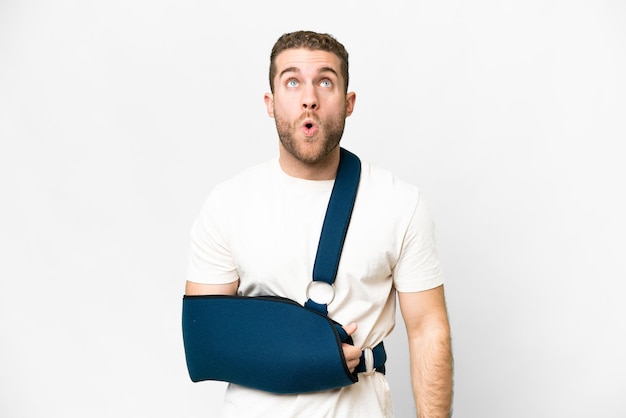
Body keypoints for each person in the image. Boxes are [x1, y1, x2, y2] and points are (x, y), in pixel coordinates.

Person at [185, 30, 453, 418]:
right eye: (292, 82)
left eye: (325, 82)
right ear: (271, 103)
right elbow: (207, 339)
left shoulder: (399, 202)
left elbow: (429, 329)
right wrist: (313, 357)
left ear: (348, 103)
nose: (309, 98)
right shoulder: (229, 203)